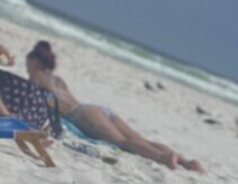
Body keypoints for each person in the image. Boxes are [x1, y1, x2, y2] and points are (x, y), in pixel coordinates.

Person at [17, 41, 204, 172]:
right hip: (95, 109)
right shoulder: (57, 78)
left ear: (35, 61)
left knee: (122, 143)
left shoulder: (36, 77)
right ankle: (186, 162)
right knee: (140, 139)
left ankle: (163, 159)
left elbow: (38, 101)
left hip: (80, 114)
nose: (27, 68)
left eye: (27, 63)